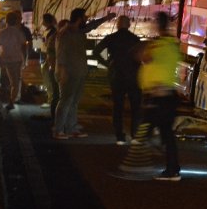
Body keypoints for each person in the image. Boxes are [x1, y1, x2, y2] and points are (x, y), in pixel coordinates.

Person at [53, 8, 116, 140]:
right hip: (69, 71)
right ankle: (58, 130)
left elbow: (91, 26)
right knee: (66, 100)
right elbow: (61, 52)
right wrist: (62, 70)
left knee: (74, 101)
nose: (86, 18)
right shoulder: (66, 32)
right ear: (79, 18)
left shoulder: (78, 31)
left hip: (80, 70)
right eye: (85, 17)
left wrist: (105, 18)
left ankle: (71, 128)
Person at [134, 11, 181, 181]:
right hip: (167, 94)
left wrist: (145, 46)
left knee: (149, 127)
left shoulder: (159, 45)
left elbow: (144, 57)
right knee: (165, 132)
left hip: (157, 94)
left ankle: (167, 167)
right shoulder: (172, 45)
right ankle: (171, 167)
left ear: (157, 25)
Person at [92, 15, 142, 145]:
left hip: (116, 75)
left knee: (118, 106)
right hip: (133, 76)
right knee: (135, 107)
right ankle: (135, 134)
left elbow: (95, 52)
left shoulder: (111, 38)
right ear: (129, 25)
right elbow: (141, 57)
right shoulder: (135, 39)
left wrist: (107, 64)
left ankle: (119, 136)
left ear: (118, 25)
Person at [0, 11, 27, 110]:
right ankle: (11, 102)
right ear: (15, 21)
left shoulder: (1, 32)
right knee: (14, 83)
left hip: (3, 59)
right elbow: (24, 47)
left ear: (6, 21)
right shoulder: (19, 32)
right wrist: (25, 59)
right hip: (15, 60)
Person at [46, 19, 69, 120]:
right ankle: (56, 120)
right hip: (58, 70)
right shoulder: (56, 37)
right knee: (58, 96)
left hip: (57, 69)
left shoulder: (57, 37)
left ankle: (58, 119)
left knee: (59, 96)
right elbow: (50, 55)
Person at [39, 13, 57, 109]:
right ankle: (50, 97)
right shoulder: (48, 30)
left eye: (43, 20)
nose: (42, 22)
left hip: (48, 57)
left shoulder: (52, 31)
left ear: (46, 21)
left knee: (49, 78)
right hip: (45, 56)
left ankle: (51, 99)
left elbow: (49, 47)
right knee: (47, 78)